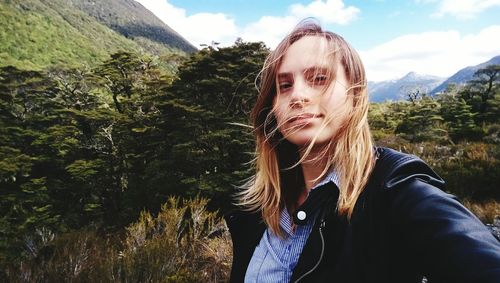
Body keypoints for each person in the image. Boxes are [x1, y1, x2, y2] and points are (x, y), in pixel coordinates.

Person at [224, 19, 500, 283]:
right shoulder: (259, 206)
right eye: (284, 85)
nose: (297, 95)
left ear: (355, 94)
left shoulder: (395, 190)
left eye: (319, 78)